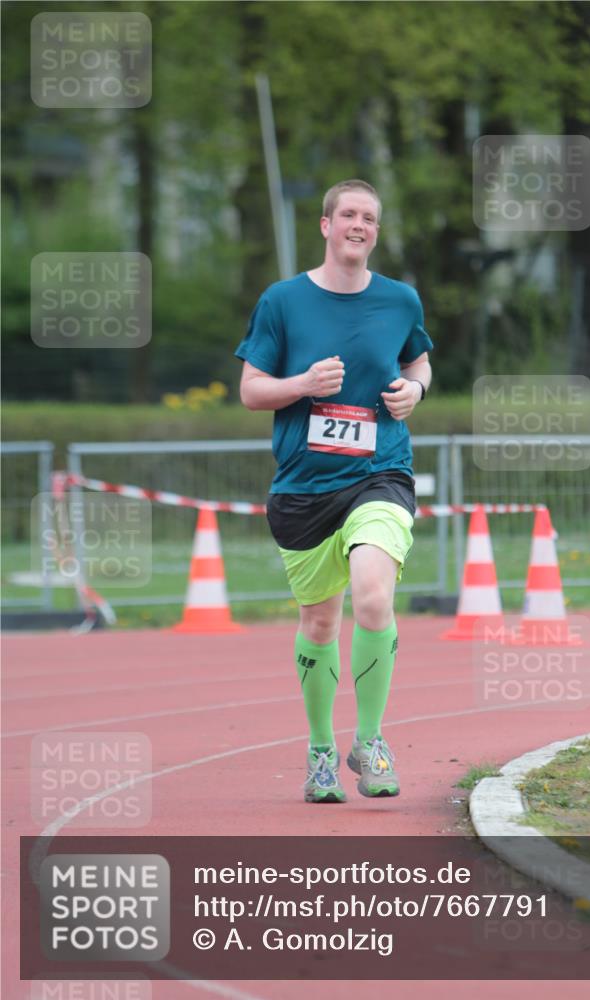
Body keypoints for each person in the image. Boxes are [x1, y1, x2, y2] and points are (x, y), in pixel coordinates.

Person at [235, 179, 433, 803]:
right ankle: (321, 750)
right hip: (303, 488)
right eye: (348, 214)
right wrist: (302, 384)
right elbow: (250, 390)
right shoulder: (283, 301)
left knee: (373, 595)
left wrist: (415, 390)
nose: (359, 225)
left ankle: (369, 740)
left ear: (376, 231)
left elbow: (418, 361)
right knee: (320, 624)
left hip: (380, 474)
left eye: (369, 218)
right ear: (325, 225)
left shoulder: (400, 301)